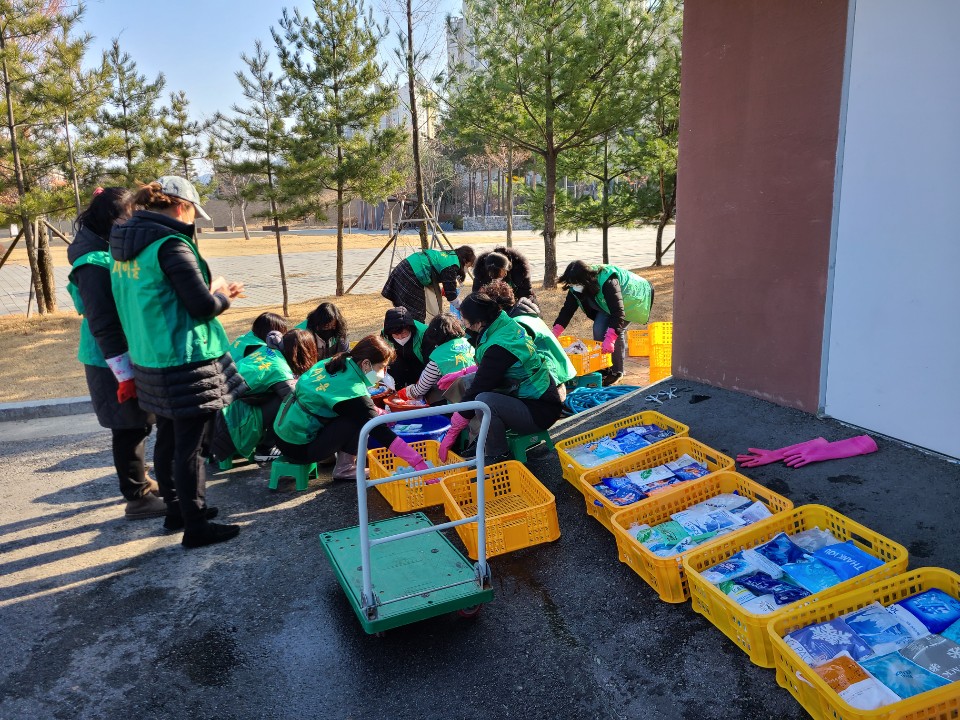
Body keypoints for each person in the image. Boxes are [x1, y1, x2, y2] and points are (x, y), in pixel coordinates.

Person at [110, 176, 247, 548]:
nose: (193, 222)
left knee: (169, 438)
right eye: (193, 214)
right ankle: (196, 525)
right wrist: (223, 294)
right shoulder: (170, 245)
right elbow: (201, 306)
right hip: (185, 358)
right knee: (192, 447)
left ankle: (177, 510)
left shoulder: (124, 247)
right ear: (182, 206)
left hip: (149, 357)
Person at [66, 187, 166, 521]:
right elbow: (104, 322)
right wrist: (124, 373)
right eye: (130, 215)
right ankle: (137, 499)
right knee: (128, 427)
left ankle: (142, 481)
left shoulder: (107, 248)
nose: (135, 221)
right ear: (113, 218)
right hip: (108, 357)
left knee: (139, 423)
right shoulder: (92, 263)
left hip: (125, 351)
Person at [273, 335, 431, 480]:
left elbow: (341, 403)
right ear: (366, 364)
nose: (383, 372)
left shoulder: (334, 363)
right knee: (359, 420)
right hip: (298, 448)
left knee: (358, 415)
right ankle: (345, 469)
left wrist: (375, 411)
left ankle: (331, 458)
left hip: (282, 434)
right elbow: (380, 431)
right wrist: (416, 460)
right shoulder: (353, 393)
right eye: (382, 367)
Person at [438, 293, 563, 463]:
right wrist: (463, 373)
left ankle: (497, 455)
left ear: (478, 322)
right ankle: (481, 437)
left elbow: (482, 382)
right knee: (468, 384)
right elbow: (493, 368)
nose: (462, 322)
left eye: (464, 318)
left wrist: (454, 428)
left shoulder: (500, 345)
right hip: (530, 396)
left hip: (540, 410)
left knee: (484, 401)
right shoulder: (503, 324)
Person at [210, 328, 318, 464]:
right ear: (303, 352)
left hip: (214, 417)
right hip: (229, 426)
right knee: (287, 403)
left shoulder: (267, 350)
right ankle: (266, 449)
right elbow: (298, 403)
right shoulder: (280, 370)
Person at [551, 260, 654, 386]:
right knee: (599, 329)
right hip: (607, 302)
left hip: (632, 297)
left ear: (586, 280)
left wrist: (610, 339)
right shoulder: (576, 285)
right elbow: (567, 310)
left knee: (615, 333)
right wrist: (554, 333)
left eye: (577, 284)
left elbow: (618, 313)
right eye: (572, 284)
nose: (574, 287)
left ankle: (617, 371)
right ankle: (605, 366)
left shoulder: (607, 281)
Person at [482, 280, 576, 400]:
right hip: (556, 379)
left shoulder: (516, 325)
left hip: (547, 387)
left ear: (496, 307)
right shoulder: (525, 315)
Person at [393, 313, 475, 405]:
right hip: (476, 394)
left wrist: (405, 392)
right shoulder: (468, 344)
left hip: (458, 403)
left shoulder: (438, 357)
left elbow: (420, 390)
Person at [381, 246, 475, 323]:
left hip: (407, 267)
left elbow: (436, 272)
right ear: (465, 261)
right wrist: (463, 308)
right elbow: (451, 296)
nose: (468, 269)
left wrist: (444, 290)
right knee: (416, 313)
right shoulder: (452, 265)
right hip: (410, 273)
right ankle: (414, 335)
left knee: (409, 311)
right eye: (469, 266)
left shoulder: (450, 256)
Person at [471, 246, 537, 309]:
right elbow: (476, 297)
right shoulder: (480, 275)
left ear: (506, 269)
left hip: (516, 306)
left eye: (499, 275)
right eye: (492, 276)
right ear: (486, 270)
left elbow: (526, 295)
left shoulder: (521, 272)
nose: (496, 280)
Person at [381, 307, 427, 387]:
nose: (400, 337)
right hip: (400, 369)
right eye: (396, 334)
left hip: (421, 370)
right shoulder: (385, 335)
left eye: (404, 333)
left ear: (410, 329)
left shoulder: (424, 333)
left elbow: (431, 362)